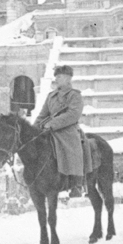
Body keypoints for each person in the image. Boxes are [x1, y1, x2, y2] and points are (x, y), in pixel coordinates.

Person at [34, 64, 88, 196]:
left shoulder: (75, 96)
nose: (56, 79)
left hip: (68, 130)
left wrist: (52, 124)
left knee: (72, 146)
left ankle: (76, 183)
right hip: (49, 129)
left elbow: (73, 114)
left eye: (59, 77)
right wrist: (33, 129)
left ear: (68, 78)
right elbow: (42, 115)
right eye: (56, 76)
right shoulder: (51, 96)